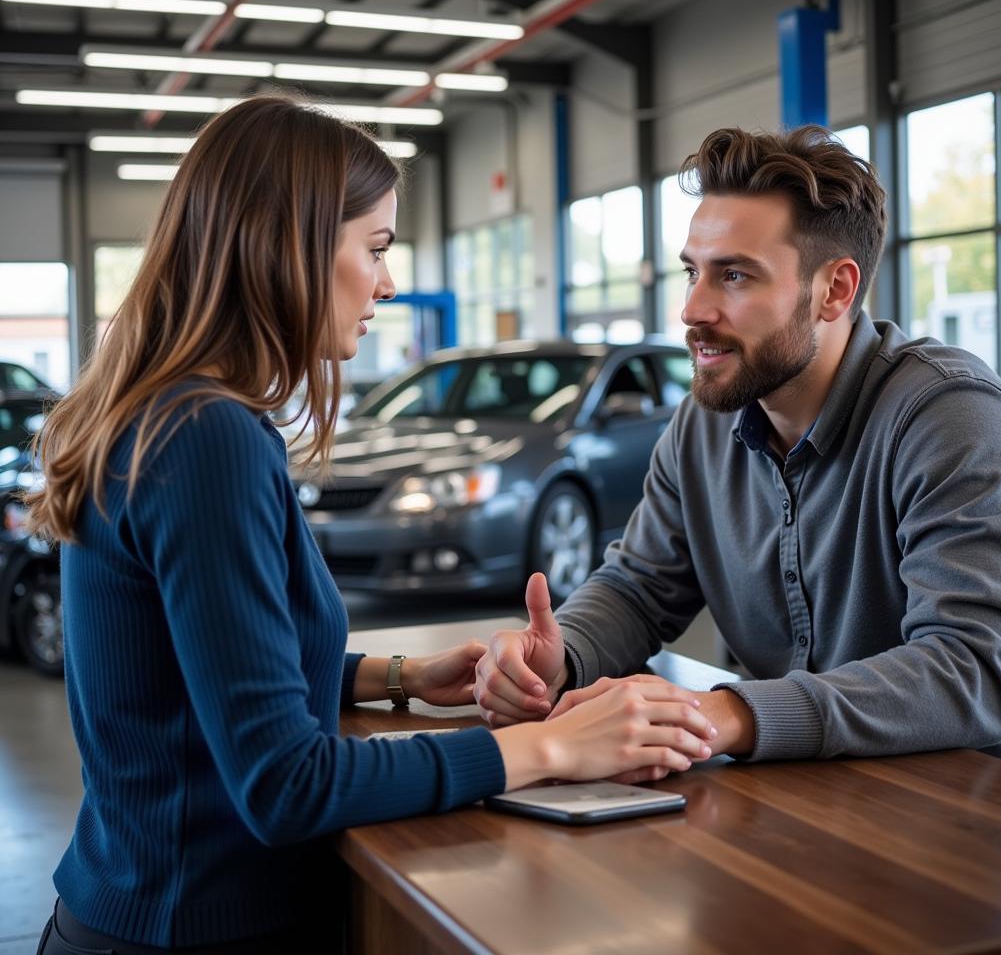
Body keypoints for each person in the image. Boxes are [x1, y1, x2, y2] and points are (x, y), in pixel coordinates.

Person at [26, 95, 717, 955]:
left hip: (135, 904)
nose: (387, 283)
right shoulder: (207, 439)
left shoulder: (159, 415)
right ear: (288, 247)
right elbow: (287, 784)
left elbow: (202, 669)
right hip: (197, 922)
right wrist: (549, 749)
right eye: (376, 248)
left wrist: (400, 675)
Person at [475, 124, 1001, 764]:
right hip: (790, 805)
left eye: (734, 275)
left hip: (955, 819)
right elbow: (639, 587)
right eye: (693, 272)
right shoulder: (702, 424)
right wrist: (560, 654)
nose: (692, 309)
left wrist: (733, 712)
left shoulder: (948, 416)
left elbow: (974, 670)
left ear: (835, 290)